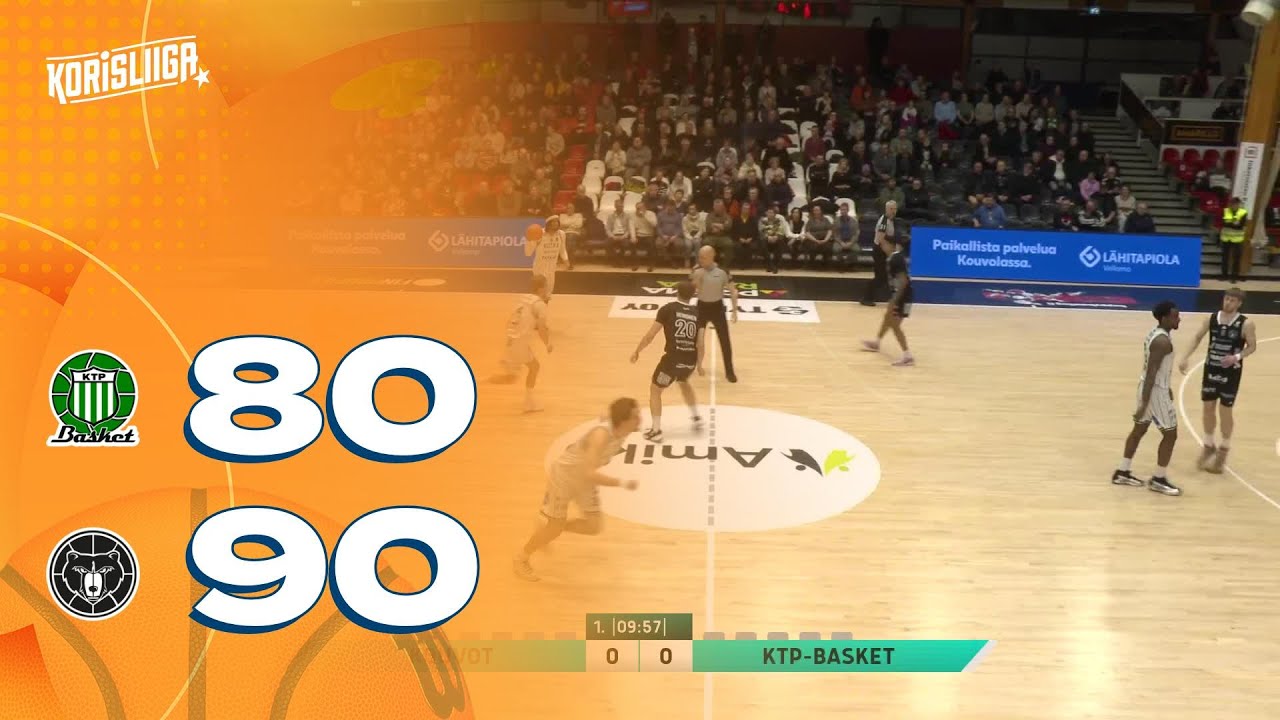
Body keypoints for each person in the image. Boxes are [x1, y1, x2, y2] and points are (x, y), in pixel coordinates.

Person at [514, 397, 642, 582]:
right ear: (623, 421)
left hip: (583, 479)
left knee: (593, 526)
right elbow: (590, 473)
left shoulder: (621, 429)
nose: (640, 419)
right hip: (564, 477)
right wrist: (622, 483)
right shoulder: (601, 436)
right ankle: (521, 558)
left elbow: (607, 415)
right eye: (635, 416)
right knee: (555, 527)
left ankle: (547, 528)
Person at [1177, 288, 1258, 473]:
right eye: (1226, 299)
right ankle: (1208, 445)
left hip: (1231, 372)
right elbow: (1197, 337)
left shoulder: (1246, 323)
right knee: (1207, 407)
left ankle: (1224, 449)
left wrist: (1236, 357)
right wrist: (1185, 357)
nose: (1228, 302)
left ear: (1239, 303)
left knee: (1225, 410)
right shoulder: (1212, 318)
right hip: (1211, 368)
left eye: (1232, 300)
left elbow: (1252, 346)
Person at [1112, 301, 1182, 496]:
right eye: (1175, 316)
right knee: (1170, 435)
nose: (1179, 319)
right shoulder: (1162, 342)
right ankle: (1159, 479)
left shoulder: (1155, 333)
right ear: (1164, 318)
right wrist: (1145, 403)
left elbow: (1156, 370)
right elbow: (1152, 372)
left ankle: (1122, 471)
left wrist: (1166, 387)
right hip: (1154, 392)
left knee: (1139, 430)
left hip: (1150, 387)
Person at [629, 280, 705, 443]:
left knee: (655, 390)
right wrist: (699, 365)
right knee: (683, 381)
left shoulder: (667, 309)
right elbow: (700, 343)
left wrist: (637, 351)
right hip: (690, 361)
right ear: (693, 295)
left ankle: (656, 430)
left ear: (677, 292)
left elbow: (650, 336)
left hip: (672, 361)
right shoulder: (698, 313)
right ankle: (696, 418)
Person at [489, 275, 553, 413]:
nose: (547, 289)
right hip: (519, 342)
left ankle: (529, 402)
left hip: (511, 338)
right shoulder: (539, 305)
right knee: (514, 377)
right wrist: (547, 344)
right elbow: (542, 327)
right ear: (541, 288)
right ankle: (478, 381)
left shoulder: (523, 298)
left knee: (532, 368)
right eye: (546, 286)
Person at [860, 225, 914, 366]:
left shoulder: (896, 259)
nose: (882, 246)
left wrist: (895, 299)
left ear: (891, 245)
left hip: (903, 297)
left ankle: (907, 355)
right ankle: (877, 342)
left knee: (895, 325)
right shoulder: (893, 257)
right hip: (902, 295)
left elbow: (903, 281)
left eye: (884, 244)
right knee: (887, 317)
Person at [691, 245, 739, 383]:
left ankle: (729, 371)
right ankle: (689, 367)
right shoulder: (696, 270)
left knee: (725, 341)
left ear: (712, 256)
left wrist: (735, 311)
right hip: (701, 307)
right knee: (694, 340)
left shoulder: (723, 271)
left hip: (717, 308)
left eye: (703, 258)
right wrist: (696, 280)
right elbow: (692, 289)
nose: (700, 260)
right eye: (699, 257)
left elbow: (733, 291)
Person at [861, 200, 899, 306]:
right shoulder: (884, 221)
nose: (893, 211)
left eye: (895, 209)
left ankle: (890, 297)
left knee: (884, 276)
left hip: (885, 251)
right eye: (891, 209)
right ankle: (866, 298)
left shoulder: (892, 220)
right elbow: (881, 239)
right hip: (879, 251)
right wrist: (890, 254)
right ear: (886, 209)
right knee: (880, 276)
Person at [526, 215, 570, 299]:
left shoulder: (561, 234)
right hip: (540, 267)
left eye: (557, 221)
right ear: (548, 224)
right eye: (553, 222)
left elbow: (562, 249)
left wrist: (566, 260)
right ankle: (535, 306)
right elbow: (528, 252)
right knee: (539, 291)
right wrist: (529, 240)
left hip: (552, 267)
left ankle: (543, 306)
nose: (555, 223)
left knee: (548, 293)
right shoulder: (539, 233)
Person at [1220, 196, 1247, 282]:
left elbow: (1241, 226)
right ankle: (1224, 275)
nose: (1234, 205)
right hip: (1226, 238)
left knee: (1236, 259)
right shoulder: (1225, 211)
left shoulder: (1243, 212)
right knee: (1225, 258)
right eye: (1232, 204)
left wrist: (1230, 223)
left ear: (1239, 204)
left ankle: (1234, 277)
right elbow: (1223, 223)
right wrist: (1234, 224)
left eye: (1236, 204)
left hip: (1237, 239)